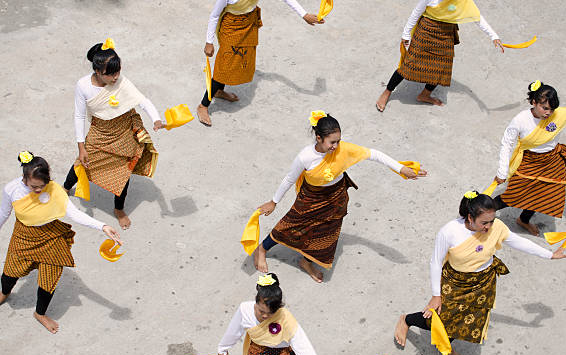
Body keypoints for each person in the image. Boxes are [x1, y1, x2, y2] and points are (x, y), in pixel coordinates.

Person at [394, 192, 566, 355]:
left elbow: (518, 241)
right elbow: (436, 262)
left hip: (483, 283)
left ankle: (447, 346)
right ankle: (407, 320)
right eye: (484, 223)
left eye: (491, 221)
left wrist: (549, 255)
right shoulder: (450, 232)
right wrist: (436, 295)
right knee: (438, 319)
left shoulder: (497, 227)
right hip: (455, 282)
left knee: (465, 321)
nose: (489, 227)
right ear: (470, 217)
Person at [253, 112, 427, 282]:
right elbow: (289, 179)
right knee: (290, 225)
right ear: (319, 138)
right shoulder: (305, 157)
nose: (336, 146)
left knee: (327, 235)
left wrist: (400, 169)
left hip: (336, 198)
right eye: (332, 142)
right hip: (311, 198)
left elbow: (374, 154)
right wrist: (273, 202)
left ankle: (306, 261)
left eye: (338, 141)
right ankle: (262, 249)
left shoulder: (343, 149)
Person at [0, 152, 122, 333]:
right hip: (24, 236)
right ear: (24, 178)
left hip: (51, 237)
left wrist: (102, 226)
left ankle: (40, 313)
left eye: (42, 186)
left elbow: (73, 213)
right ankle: (4, 293)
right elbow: (3, 214)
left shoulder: (54, 189)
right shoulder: (12, 190)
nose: (38, 190)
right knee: (11, 271)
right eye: (34, 186)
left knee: (49, 280)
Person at [63, 40, 165, 230]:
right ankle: (65, 188)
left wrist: (156, 119)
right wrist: (81, 145)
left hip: (124, 132)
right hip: (100, 132)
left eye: (118, 71)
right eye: (111, 74)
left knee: (123, 172)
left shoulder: (121, 81)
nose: (116, 77)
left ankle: (119, 209)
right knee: (83, 161)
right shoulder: (83, 86)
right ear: (98, 71)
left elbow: (143, 100)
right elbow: (79, 115)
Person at [492, 81, 566, 236]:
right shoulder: (520, 120)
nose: (549, 113)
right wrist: (502, 171)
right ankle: (484, 212)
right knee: (512, 195)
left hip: (551, 161)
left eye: (552, 109)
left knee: (541, 195)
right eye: (545, 108)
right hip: (529, 161)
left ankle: (523, 220)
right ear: (534, 102)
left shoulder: (557, 114)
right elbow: (506, 144)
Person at [196, 0, 324, 126]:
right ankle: (203, 105)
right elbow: (214, 15)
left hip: (249, 24)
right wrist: (209, 42)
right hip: (231, 26)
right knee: (224, 65)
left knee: (233, 61)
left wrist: (304, 14)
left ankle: (218, 91)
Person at [218, 273, 335, 355]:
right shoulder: (244, 309)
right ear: (256, 301)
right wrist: (223, 349)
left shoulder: (286, 319)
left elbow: (304, 348)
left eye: (270, 314)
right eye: (261, 311)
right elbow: (234, 331)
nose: (264, 316)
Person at [376, 0, 503, 110]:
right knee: (408, 64)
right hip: (426, 31)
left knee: (440, 69)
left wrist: (493, 36)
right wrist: (406, 34)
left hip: (446, 35)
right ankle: (387, 92)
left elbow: (477, 17)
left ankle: (425, 95)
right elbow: (416, 12)